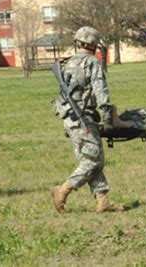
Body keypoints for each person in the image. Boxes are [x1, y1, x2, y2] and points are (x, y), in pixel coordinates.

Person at [51, 26, 124, 213]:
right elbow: (101, 91)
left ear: (78, 42)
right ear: (94, 45)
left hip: (69, 117)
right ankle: (63, 190)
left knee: (93, 157)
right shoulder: (91, 62)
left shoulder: (69, 62)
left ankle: (103, 201)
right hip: (82, 117)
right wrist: (108, 117)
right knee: (92, 161)